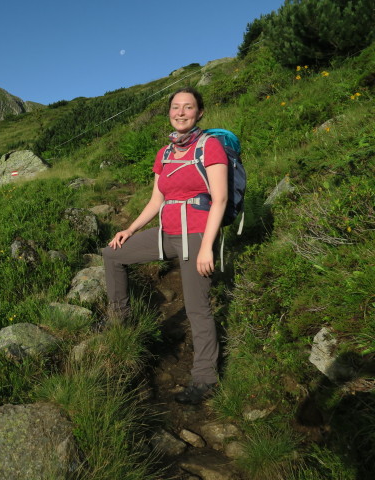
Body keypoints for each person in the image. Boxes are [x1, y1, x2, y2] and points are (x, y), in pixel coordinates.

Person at [102, 86, 228, 405]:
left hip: (197, 236)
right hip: (167, 232)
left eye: (188, 107)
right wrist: (129, 230)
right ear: (169, 112)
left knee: (197, 309)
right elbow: (157, 199)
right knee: (112, 254)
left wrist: (206, 248)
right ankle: (121, 318)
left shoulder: (209, 146)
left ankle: (204, 378)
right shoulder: (166, 153)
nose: (181, 112)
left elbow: (221, 199)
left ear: (200, 113)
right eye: (175, 107)